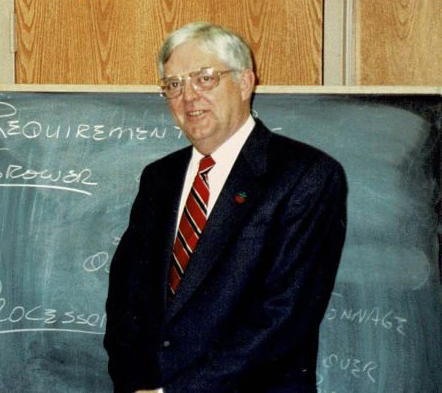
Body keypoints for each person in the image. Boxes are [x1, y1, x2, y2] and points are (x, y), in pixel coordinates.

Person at [104, 23, 347, 392]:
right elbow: (125, 296)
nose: (188, 97)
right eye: (174, 85)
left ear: (245, 82)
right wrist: (134, 382)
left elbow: (284, 317)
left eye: (205, 78)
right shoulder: (159, 177)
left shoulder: (306, 175)